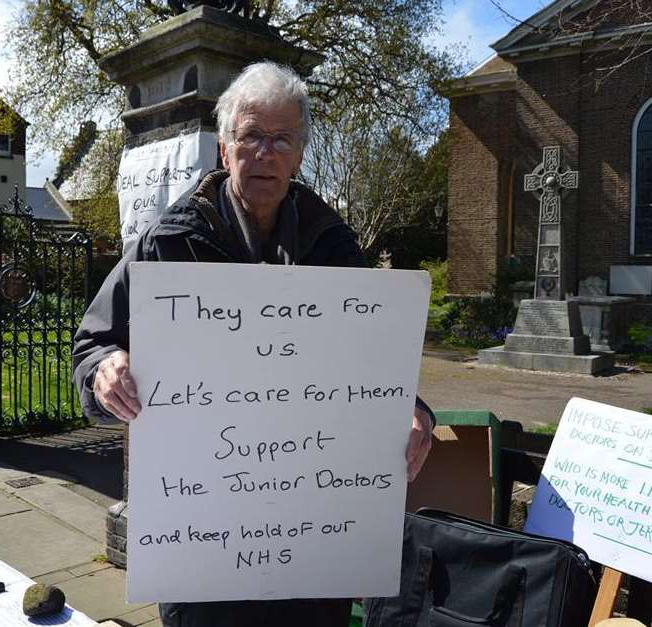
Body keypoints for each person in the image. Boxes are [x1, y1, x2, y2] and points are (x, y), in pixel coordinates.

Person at [72, 62, 434, 627]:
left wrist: (411, 411)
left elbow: (375, 365)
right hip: (203, 550)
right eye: (250, 136)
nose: (264, 152)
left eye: (281, 139)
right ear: (224, 148)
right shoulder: (167, 244)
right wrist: (104, 370)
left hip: (314, 549)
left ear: (300, 154)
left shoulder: (336, 250)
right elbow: (92, 343)